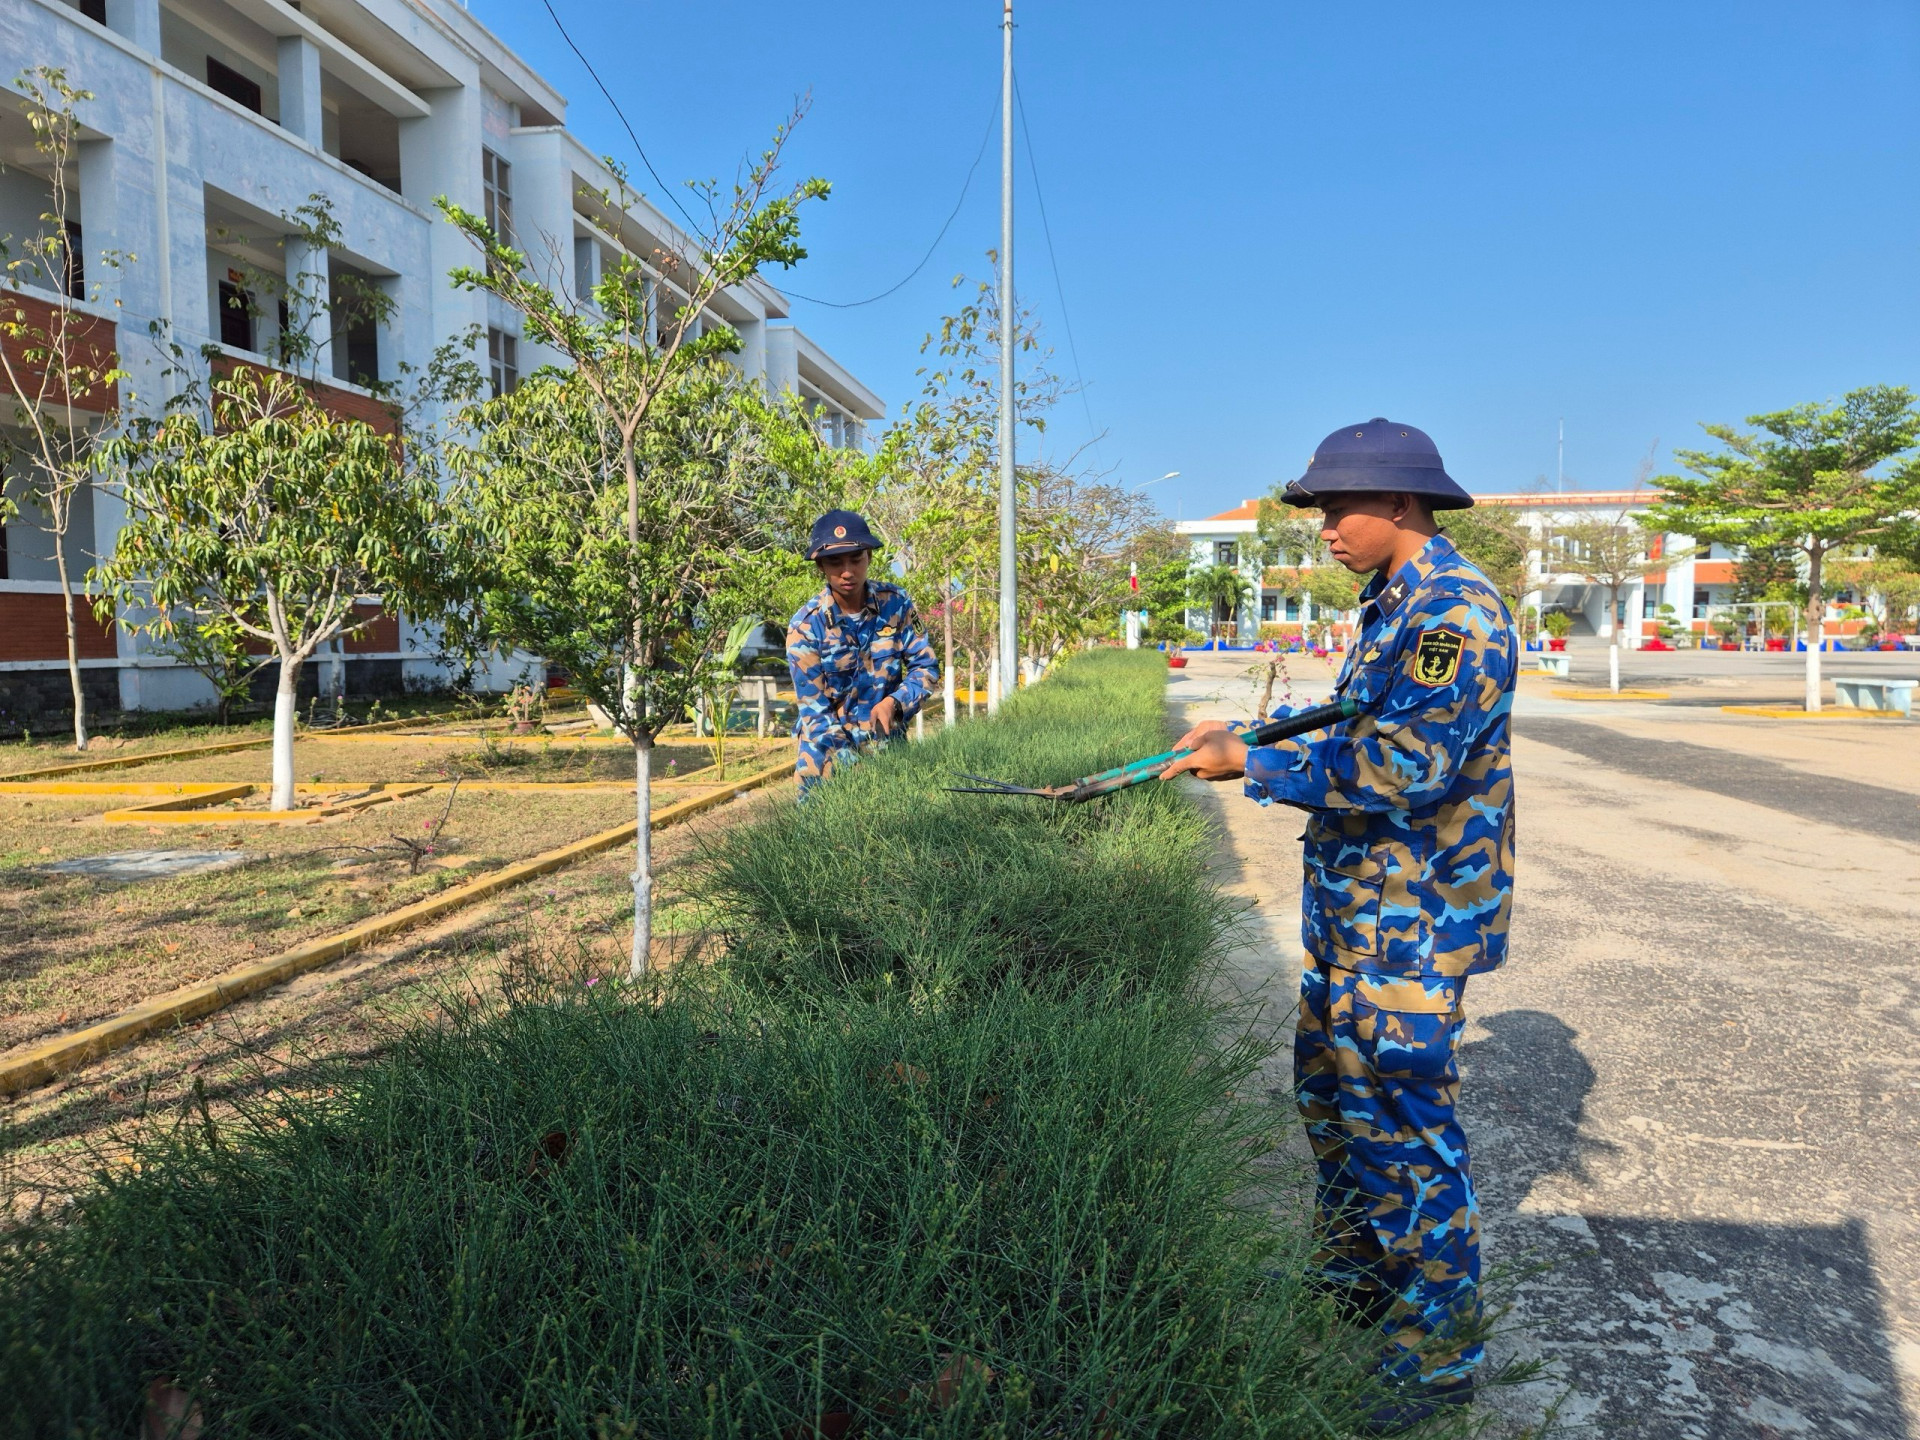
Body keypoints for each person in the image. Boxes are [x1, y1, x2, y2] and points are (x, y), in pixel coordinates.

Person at [1162, 418, 1517, 1434]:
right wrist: (1251, 732)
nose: (1321, 527)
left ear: (1398, 504)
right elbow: (1361, 718)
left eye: (1333, 507)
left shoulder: (1457, 613)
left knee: (1405, 1131)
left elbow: (1410, 764)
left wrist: (1254, 770)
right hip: (1358, 916)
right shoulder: (1395, 605)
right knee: (1334, 1104)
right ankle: (1358, 1291)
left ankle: (1439, 1352)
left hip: (1410, 922)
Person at [785, 509, 940, 799]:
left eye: (856, 559)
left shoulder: (896, 604)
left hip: (888, 752)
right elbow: (815, 713)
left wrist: (896, 703)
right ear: (820, 566)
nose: (847, 571)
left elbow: (926, 667)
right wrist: (856, 770)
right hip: (825, 764)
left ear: (869, 556)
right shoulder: (806, 626)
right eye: (835, 561)